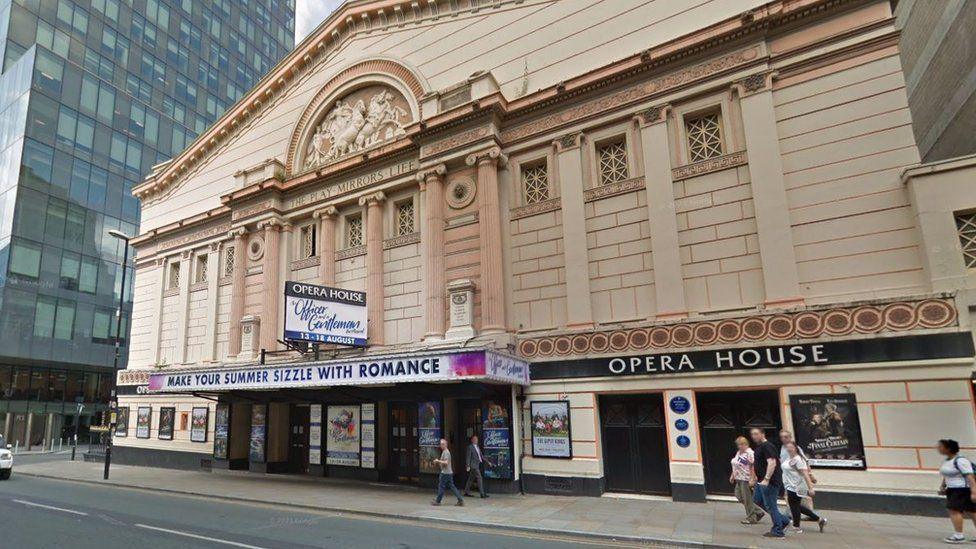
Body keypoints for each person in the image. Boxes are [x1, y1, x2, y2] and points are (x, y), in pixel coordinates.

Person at [750, 428, 790, 538]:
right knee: (757, 500)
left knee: (771, 505)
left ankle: (778, 531)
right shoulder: (759, 447)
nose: (754, 436)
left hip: (770, 481)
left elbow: (772, 462)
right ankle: (784, 520)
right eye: (752, 434)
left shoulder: (767, 446)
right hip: (761, 480)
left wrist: (767, 479)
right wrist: (754, 478)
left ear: (762, 434)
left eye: (756, 434)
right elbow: (757, 463)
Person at [781, 442, 827, 533]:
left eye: (791, 447)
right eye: (788, 447)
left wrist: (810, 488)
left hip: (796, 486)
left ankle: (796, 527)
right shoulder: (789, 458)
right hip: (790, 485)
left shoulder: (798, 459)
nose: (789, 449)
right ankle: (819, 519)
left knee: (794, 506)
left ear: (796, 448)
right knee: (796, 506)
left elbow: (805, 474)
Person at [938, 439, 976, 543]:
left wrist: (974, 492)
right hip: (953, 489)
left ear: (948, 448)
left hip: (961, 490)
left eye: (940, 446)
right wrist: (943, 486)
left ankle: (959, 536)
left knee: (954, 511)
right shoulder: (948, 461)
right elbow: (947, 475)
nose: (938, 448)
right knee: (972, 512)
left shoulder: (961, 460)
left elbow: (970, 476)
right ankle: (959, 535)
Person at [779, 430, 818, 520]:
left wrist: (810, 475)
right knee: (790, 498)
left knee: (802, 498)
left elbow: (805, 461)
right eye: (782, 437)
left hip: (797, 479)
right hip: (788, 478)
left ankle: (809, 515)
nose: (783, 439)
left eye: (786, 437)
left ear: (790, 437)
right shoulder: (782, 448)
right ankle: (792, 514)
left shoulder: (796, 448)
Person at [730, 436, 764, 524]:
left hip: (746, 478)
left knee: (747, 498)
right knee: (739, 496)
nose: (740, 446)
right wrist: (732, 475)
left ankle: (751, 518)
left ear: (746, 444)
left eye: (742, 444)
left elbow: (753, 466)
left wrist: (752, 479)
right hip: (738, 478)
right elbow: (736, 464)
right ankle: (758, 511)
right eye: (738, 445)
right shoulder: (739, 453)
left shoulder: (750, 453)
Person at [431, 438, 464, 506]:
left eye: (443, 444)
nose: (441, 445)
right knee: (452, 487)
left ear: (446, 445)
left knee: (441, 486)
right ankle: (460, 500)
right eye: (440, 444)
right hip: (449, 472)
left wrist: (438, 461)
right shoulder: (445, 452)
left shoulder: (446, 452)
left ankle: (438, 501)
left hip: (445, 473)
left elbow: (446, 463)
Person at [464, 434, 489, 498]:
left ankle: (466, 491)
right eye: (474, 439)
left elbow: (481, 456)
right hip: (473, 466)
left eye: (477, 439)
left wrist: (488, 462)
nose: (476, 440)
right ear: (472, 440)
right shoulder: (470, 447)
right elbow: (468, 457)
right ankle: (482, 494)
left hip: (477, 464)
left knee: (471, 479)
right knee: (479, 478)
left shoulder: (477, 447)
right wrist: (468, 465)